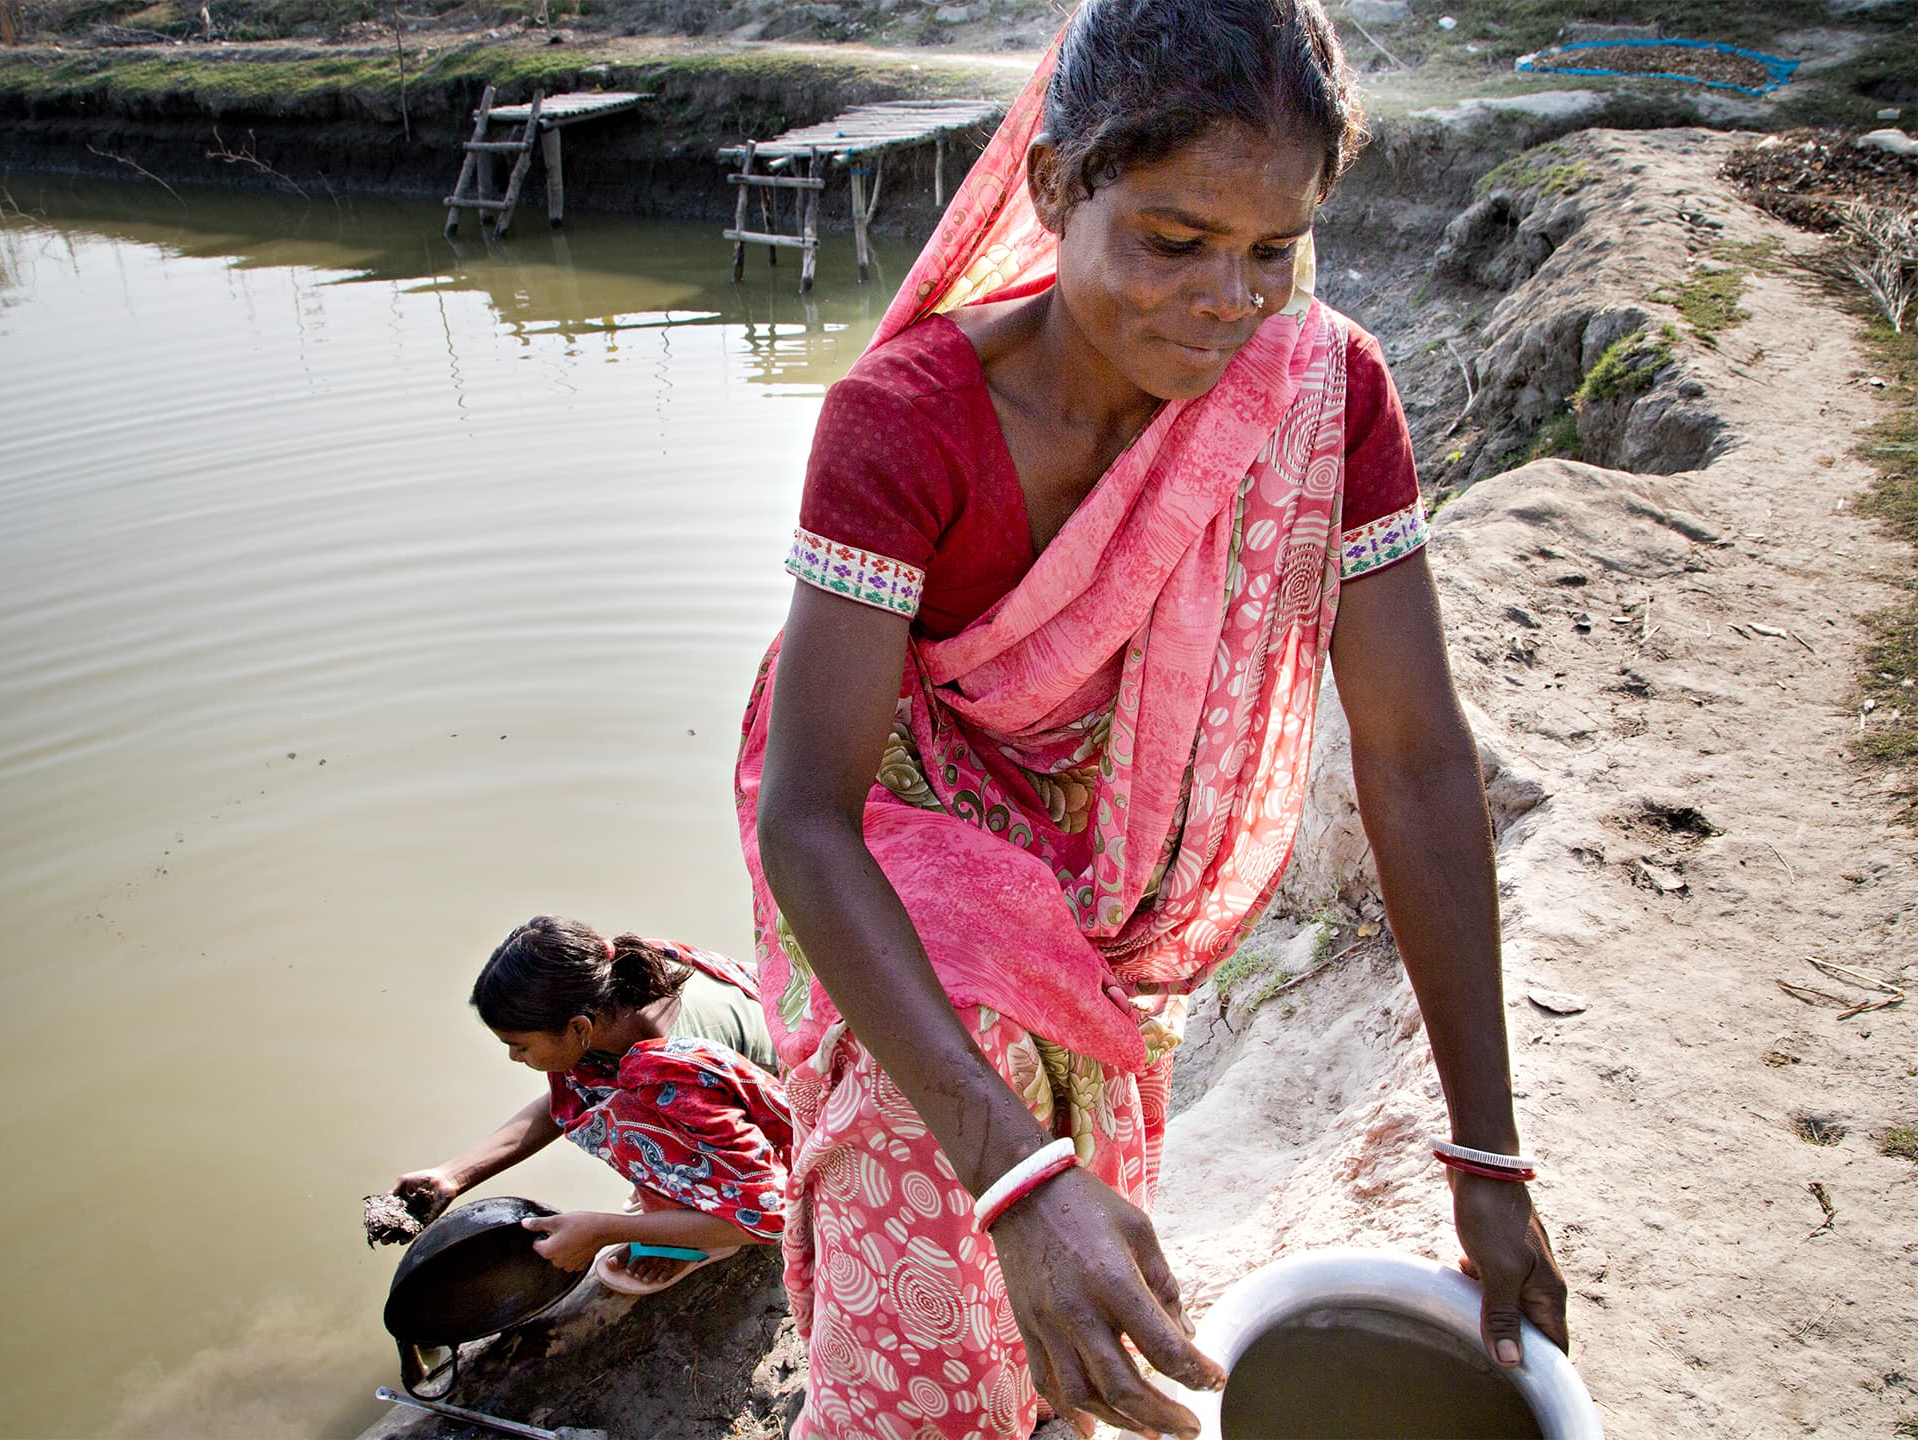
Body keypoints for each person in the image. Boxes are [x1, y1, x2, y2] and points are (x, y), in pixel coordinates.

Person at [734, 0, 1571, 1435]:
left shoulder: (1321, 395)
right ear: (1055, 184)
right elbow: (805, 814)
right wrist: (1008, 1174)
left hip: (1106, 906)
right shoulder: (907, 422)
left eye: (1273, 252)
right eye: (1175, 242)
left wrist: (1487, 1161)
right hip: (902, 883)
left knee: (1071, 1286)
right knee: (934, 1306)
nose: (1226, 305)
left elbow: (1418, 757)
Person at [393, 916, 792, 1291]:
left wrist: (604, 1229)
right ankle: (680, 1198)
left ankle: (702, 1230)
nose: (514, 1058)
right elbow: (570, 1094)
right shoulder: (615, 984)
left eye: (520, 1046)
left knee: (627, 1122)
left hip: (787, 1106)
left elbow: (769, 1217)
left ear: (577, 1028)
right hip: (751, 1054)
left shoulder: (674, 1076)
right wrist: (453, 1176)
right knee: (604, 1098)